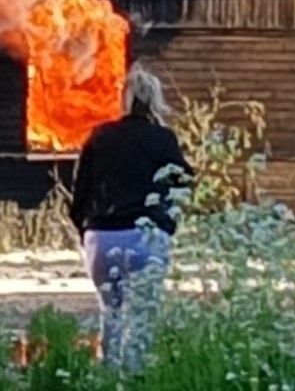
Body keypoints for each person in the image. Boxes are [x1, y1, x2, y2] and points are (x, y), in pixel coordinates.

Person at [69, 63, 193, 370]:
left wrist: (86, 233)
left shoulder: (99, 136)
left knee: (109, 312)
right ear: (155, 100)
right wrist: (168, 220)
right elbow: (185, 180)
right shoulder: (163, 138)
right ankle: (136, 377)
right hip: (146, 236)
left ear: (123, 99)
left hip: (102, 236)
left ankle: (108, 375)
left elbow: (79, 194)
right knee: (142, 317)